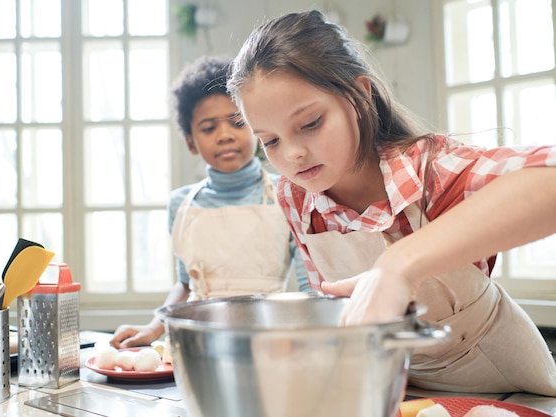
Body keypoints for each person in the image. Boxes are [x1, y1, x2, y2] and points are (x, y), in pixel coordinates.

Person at [227, 10, 556, 395]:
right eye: (270, 141)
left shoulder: (431, 170)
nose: (294, 154)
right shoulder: (295, 197)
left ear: (360, 96)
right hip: (400, 386)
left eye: (311, 123)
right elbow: (339, 312)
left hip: (504, 384)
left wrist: (398, 266)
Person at [111, 55, 311, 349]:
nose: (225, 136)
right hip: (198, 344)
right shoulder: (181, 203)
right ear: (191, 142)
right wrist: (155, 327)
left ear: (256, 128)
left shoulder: (289, 192)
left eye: (237, 122)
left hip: (268, 341)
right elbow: (185, 284)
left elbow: (310, 283)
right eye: (208, 129)